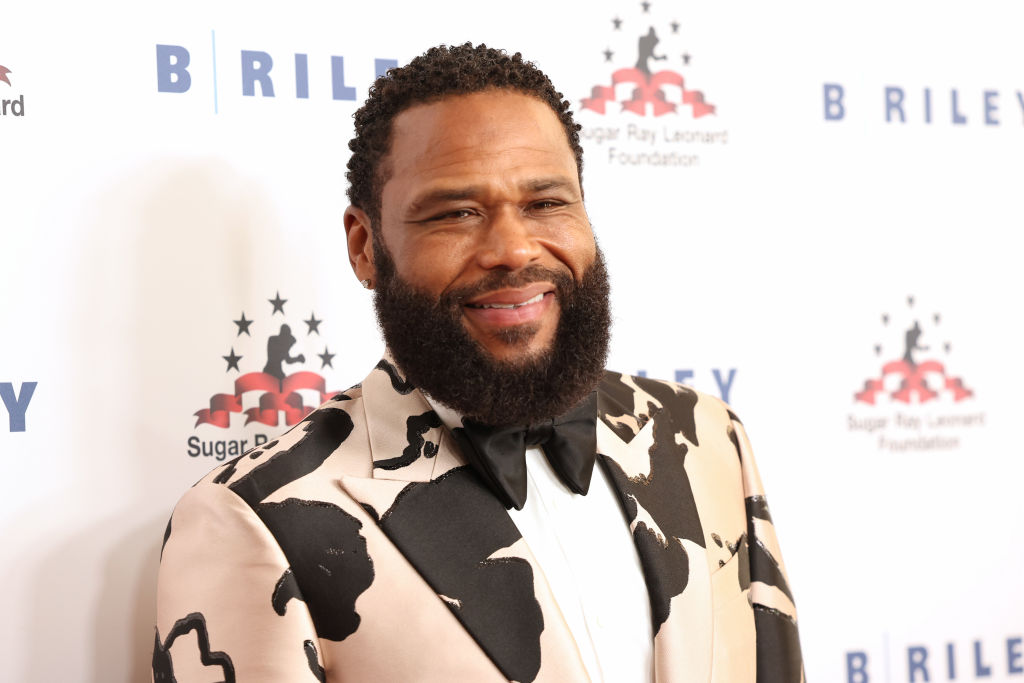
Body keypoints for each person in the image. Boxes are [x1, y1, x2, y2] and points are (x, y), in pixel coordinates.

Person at [154, 43, 803, 683]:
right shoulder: (256, 519)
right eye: (456, 213)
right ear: (365, 246)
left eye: (546, 203)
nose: (514, 249)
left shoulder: (707, 436)